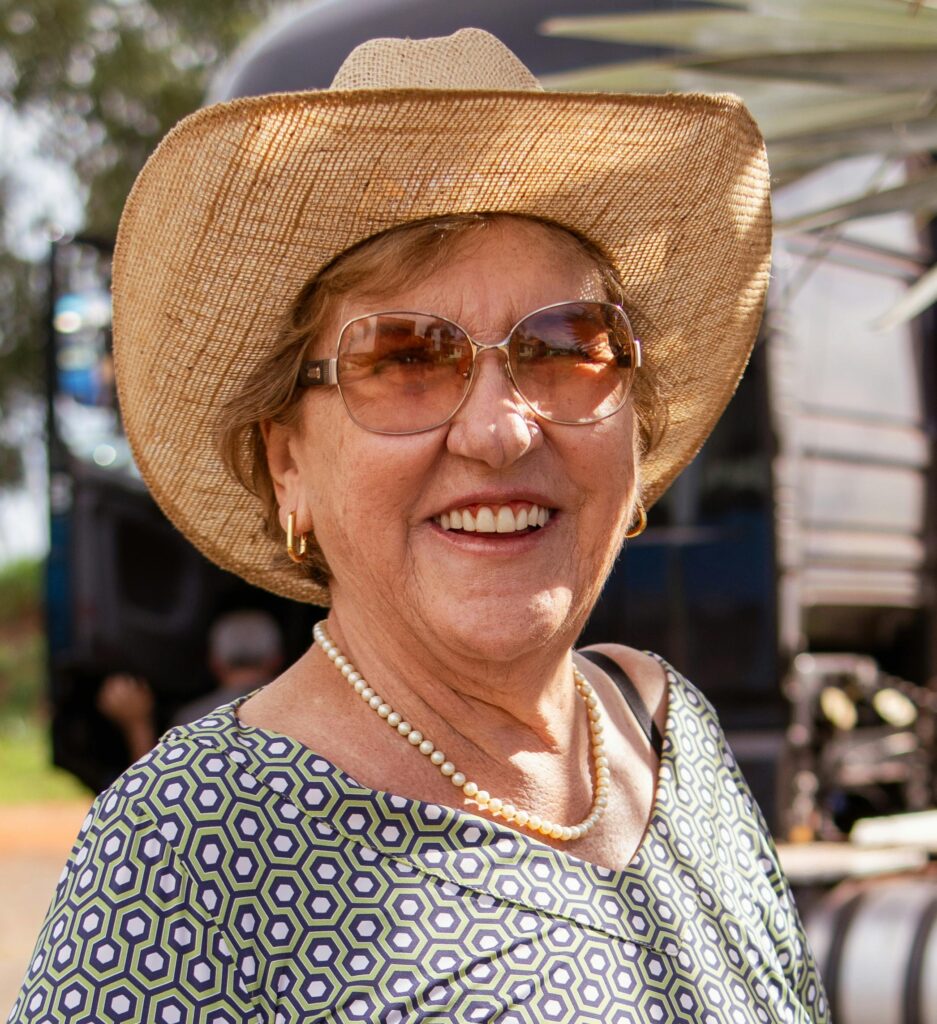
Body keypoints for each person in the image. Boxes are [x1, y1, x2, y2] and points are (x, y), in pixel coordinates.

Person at [11, 29, 829, 1024]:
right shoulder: (190, 852)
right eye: (403, 357)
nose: (497, 428)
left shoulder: (671, 735)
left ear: (636, 424)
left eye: (564, 345)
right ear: (288, 461)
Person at [96, 609, 285, 762]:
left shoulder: (191, 721)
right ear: (277, 659)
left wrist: (138, 725)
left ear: (214, 662)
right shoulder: (293, 714)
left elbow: (159, 790)